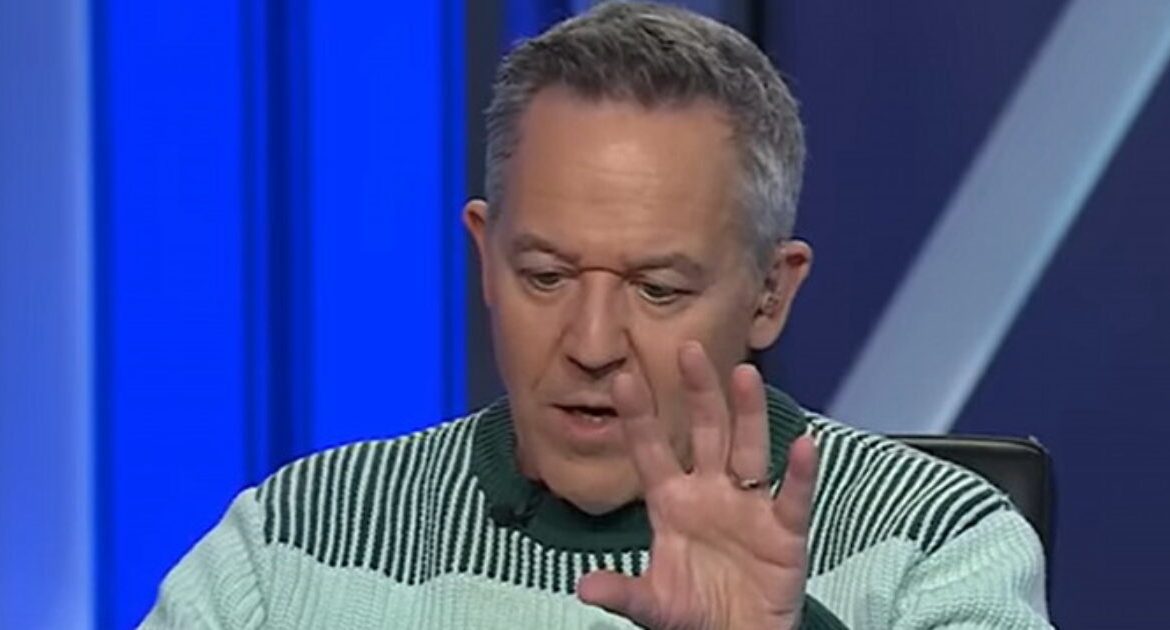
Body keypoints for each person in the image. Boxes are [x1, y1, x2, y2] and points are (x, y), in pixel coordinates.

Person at [140, 3, 1050, 628]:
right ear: (485, 256)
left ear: (771, 293)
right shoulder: (293, 542)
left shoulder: (933, 543)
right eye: (546, 276)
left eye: (658, 290)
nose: (590, 344)